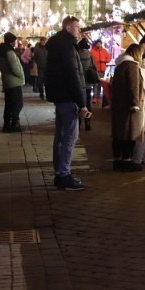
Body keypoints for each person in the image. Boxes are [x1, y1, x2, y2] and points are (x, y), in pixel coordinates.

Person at [43, 16, 88, 191]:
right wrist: (82, 103)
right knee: (70, 137)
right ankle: (63, 174)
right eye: (77, 27)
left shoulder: (57, 44)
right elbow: (73, 76)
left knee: (61, 136)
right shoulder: (67, 47)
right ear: (68, 28)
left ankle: (60, 172)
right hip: (68, 98)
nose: (79, 31)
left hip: (60, 97)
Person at [110, 43, 144, 172]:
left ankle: (117, 160)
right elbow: (134, 86)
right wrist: (135, 104)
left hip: (119, 105)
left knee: (118, 133)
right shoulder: (132, 66)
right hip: (128, 106)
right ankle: (126, 160)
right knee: (129, 133)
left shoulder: (120, 65)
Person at [0, 31, 25, 132]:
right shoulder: (9, 52)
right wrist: (21, 75)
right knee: (17, 104)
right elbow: (14, 67)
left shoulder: (2, 51)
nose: (15, 42)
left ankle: (7, 125)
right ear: (11, 41)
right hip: (14, 81)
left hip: (8, 81)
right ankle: (14, 124)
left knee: (9, 104)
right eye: (14, 41)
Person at [78, 38, 98, 131]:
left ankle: (78, 123)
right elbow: (94, 66)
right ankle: (87, 123)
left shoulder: (76, 55)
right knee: (87, 104)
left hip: (78, 83)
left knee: (78, 103)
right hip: (88, 83)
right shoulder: (90, 55)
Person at [90, 39, 112, 106]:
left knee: (100, 84)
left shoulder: (104, 51)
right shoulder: (92, 51)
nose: (99, 45)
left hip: (102, 70)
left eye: (100, 43)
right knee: (95, 84)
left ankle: (98, 98)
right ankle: (94, 98)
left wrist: (104, 60)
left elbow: (109, 59)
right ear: (95, 44)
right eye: (97, 43)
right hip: (95, 70)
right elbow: (90, 60)